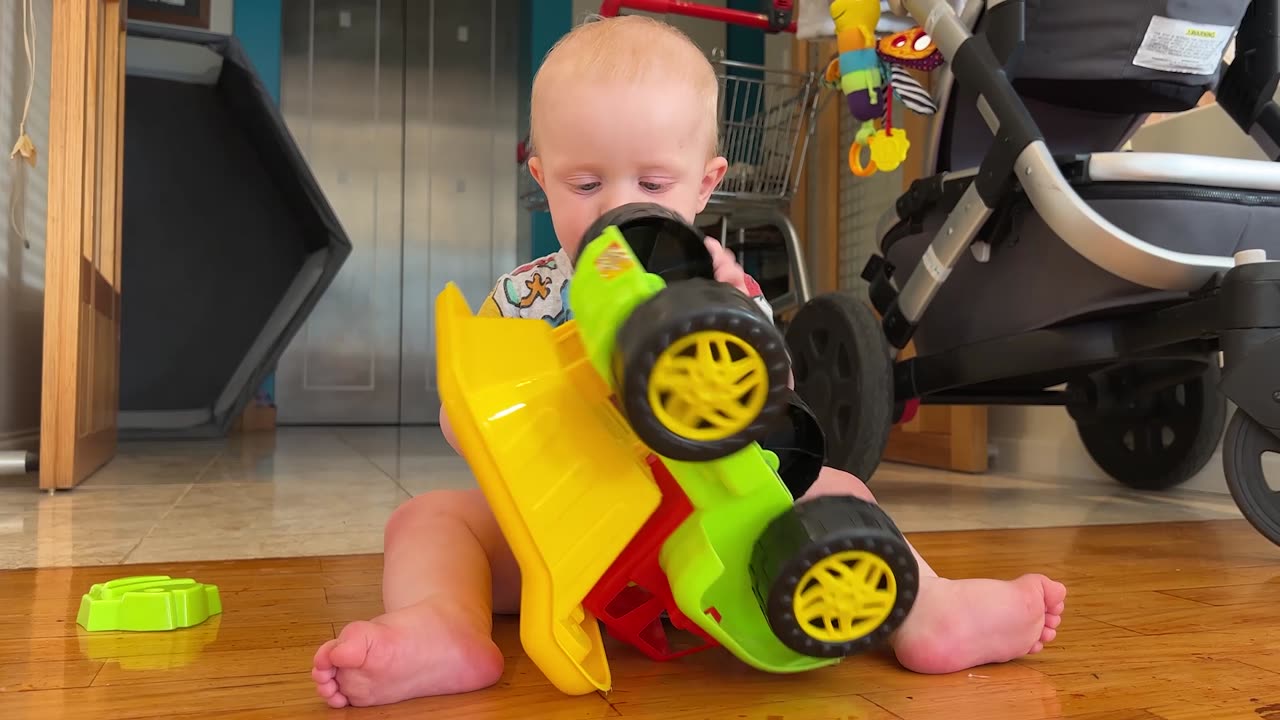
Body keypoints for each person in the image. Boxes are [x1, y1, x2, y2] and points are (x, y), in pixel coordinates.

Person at [311, 14, 1066, 709]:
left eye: (651, 184)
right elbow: (465, 416)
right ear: (541, 182)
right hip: (573, 544)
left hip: (711, 534)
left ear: (704, 187)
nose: (615, 208)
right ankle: (442, 624)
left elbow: (775, 421)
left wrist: (733, 314)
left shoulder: (722, 288)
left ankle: (931, 614)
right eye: (585, 183)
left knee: (837, 486)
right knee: (430, 518)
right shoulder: (527, 295)